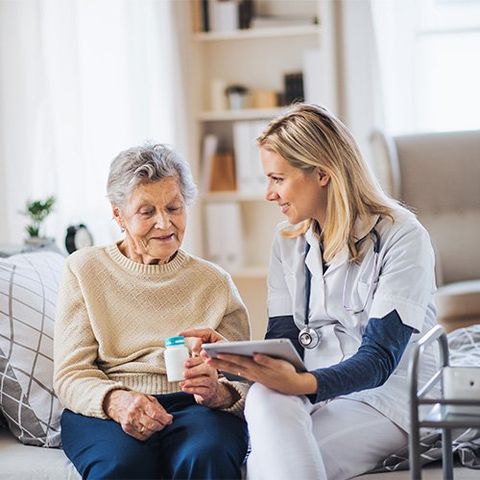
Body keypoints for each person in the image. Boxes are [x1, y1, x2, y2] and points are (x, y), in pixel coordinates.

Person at [194, 104, 438, 480]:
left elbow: (378, 360)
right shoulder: (287, 241)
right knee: (262, 397)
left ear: (322, 173)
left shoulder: (402, 236)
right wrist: (237, 356)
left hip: (385, 396)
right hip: (314, 386)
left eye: (277, 179)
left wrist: (301, 384)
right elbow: (284, 341)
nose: (269, 195)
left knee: (270, 465)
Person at [53, 143, 250, 480]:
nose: (165, 223)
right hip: (110, 403)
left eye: (174, 207)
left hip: (194, 406)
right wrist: (116, 401)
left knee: (206, 457)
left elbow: (243, 379)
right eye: (147, 212)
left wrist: (218, 392)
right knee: (120, 466)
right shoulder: (84, 270)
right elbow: (71, 374)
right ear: (118, 215)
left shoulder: (214, 282)